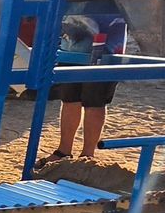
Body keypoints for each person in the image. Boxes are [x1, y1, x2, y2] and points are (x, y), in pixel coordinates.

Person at [45, 14, 128, 160]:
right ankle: (64, 150)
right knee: (69, 99)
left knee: (94, 101)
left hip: (105, 45)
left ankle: (88, 154)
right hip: (70, 44)